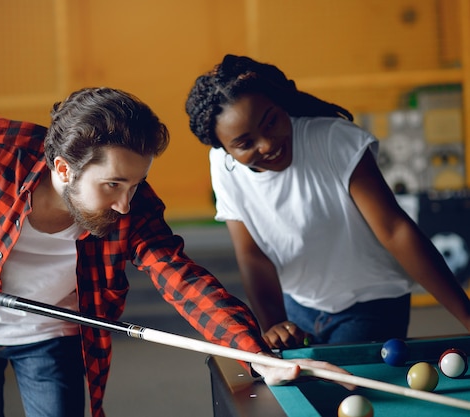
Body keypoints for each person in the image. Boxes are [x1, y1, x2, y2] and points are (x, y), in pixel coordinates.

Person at [0, 87, 349, 417]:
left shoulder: (134, 209)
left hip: (54, 335)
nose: (125, 204)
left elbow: (183, 281)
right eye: (112, 185)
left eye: (135, 184)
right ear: (64, 170)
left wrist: (256, 355)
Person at [185, 54, 470, 351]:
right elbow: (253, 256)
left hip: (371, 302)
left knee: (346, 393)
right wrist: (274, 325)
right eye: (245, 143)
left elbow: (395, 230)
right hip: (298, 303)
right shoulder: (221, 165)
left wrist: (466, 316)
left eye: (271, 121)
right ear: (226, 149)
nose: (267, 144)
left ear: (280, 103)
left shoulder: (334, 140)